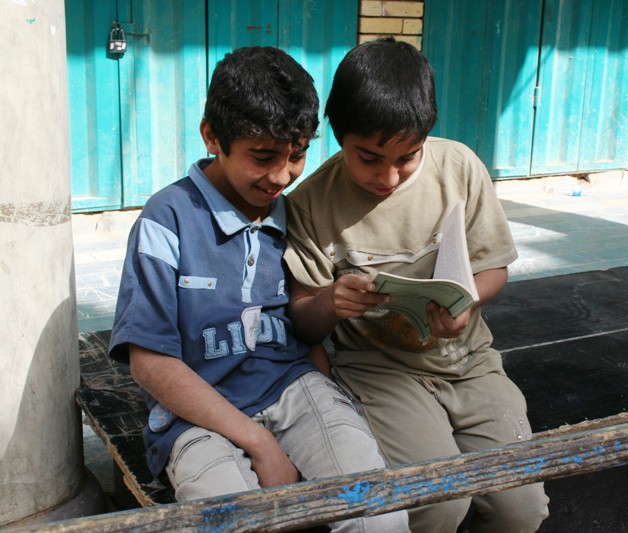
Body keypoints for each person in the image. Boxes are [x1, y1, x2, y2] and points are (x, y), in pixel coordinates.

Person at [108, 46, 409, 533]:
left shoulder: (288, 212)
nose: (281, 175)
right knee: (235, 522)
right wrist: (260, 442)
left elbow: (301, 327)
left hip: (293, 389)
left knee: (377, 513)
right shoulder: (167, 219)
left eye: (298, 155)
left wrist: (329, 399)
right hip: (195, 417)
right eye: (264, 157)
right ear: (212, 137)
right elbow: (150, 361)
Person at [284, 37, 549, 533]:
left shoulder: (459, 167)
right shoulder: (310, 202)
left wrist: (468, 301)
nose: (388, 176)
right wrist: (330, 302)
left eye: (407, 157)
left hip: (470, 363)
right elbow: (301, 316)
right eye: (367, 158)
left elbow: (493, 268)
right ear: (337, 136)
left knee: (521, 509)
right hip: (380, 372)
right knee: (437, 502)